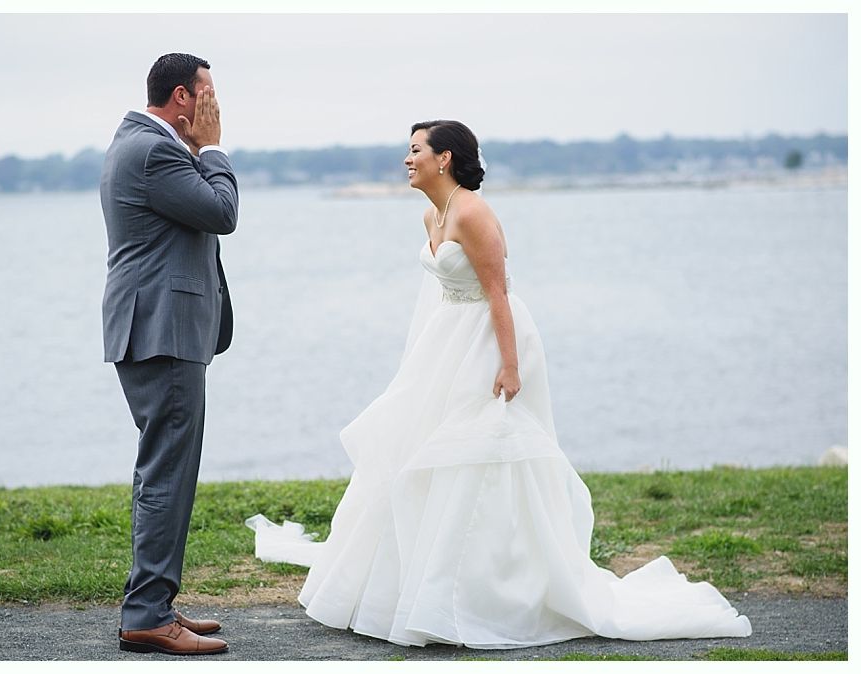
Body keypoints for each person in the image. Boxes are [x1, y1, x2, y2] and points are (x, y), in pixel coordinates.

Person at [246, 120, 752, 649]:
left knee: (480, 452)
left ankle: (485, 593)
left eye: (415, 150)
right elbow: (442, 292)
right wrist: (422, 362)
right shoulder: (431, 214)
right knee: (419, 450)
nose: (406, 159)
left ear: (444, 159)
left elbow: (499, 294)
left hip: (492, 342)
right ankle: (411, 588)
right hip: (449, 341)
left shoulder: (474, 213)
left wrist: (510, 367)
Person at [101, 53, 238, 656]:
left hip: (158, 329)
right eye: (208, 95)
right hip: (162, 331)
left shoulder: (140, 144)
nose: (214, 106)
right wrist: (212, 148)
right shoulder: (155, 150)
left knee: (164, 468)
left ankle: (152, 602)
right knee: (167, 471)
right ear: (182, 97)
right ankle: (148, 614)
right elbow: (221, 212)